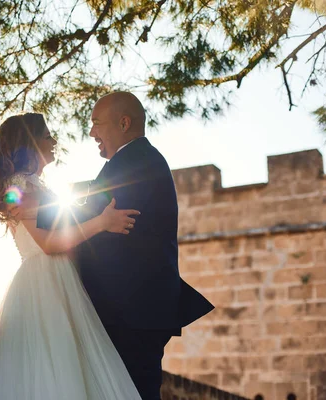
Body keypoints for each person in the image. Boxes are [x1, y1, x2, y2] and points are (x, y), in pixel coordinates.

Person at [36, 92, 215, 400]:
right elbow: (96, 212)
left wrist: (34, 205)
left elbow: (92, 216)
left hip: (131, 313)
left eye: (96, 123)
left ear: (123, 122)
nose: (92, 133)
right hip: (134, 311)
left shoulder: (135, 163)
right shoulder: (134, 162)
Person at [0, 113, 143, 400]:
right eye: (46, 136)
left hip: (60, 279)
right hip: (44, 284)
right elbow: (49, 243)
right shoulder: (19, 187)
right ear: (28, 143)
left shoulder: (35, 185)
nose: (53, 141)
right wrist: (102, 223)